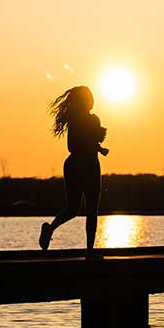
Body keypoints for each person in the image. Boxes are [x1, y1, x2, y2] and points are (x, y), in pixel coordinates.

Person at [39, 86, 109, 255]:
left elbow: (85, 142)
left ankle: (88, 249)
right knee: (78, 210)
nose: (93, 100)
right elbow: (73, 146)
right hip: (82, 165)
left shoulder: (87, 120)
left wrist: (99, 147)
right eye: (90, 97)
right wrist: (96, 142)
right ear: (84, 101)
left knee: (83, 210)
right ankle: (87, 250)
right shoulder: (83, 121)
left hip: (82, 164)